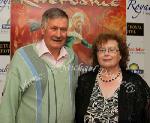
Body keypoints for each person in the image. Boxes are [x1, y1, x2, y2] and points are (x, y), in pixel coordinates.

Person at [0, 8, 78, 123]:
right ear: (43, 29)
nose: (59, 34)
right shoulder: (22, 56)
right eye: (54, 28)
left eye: (63, 29)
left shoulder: (71, 57)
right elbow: (8, 104)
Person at [75, 33, 150, 123]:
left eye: (112, 50)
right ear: (97, 55)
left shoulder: (135, 82)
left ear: (121, 55)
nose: (106, 53)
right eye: (102, 50)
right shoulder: (84, 81)